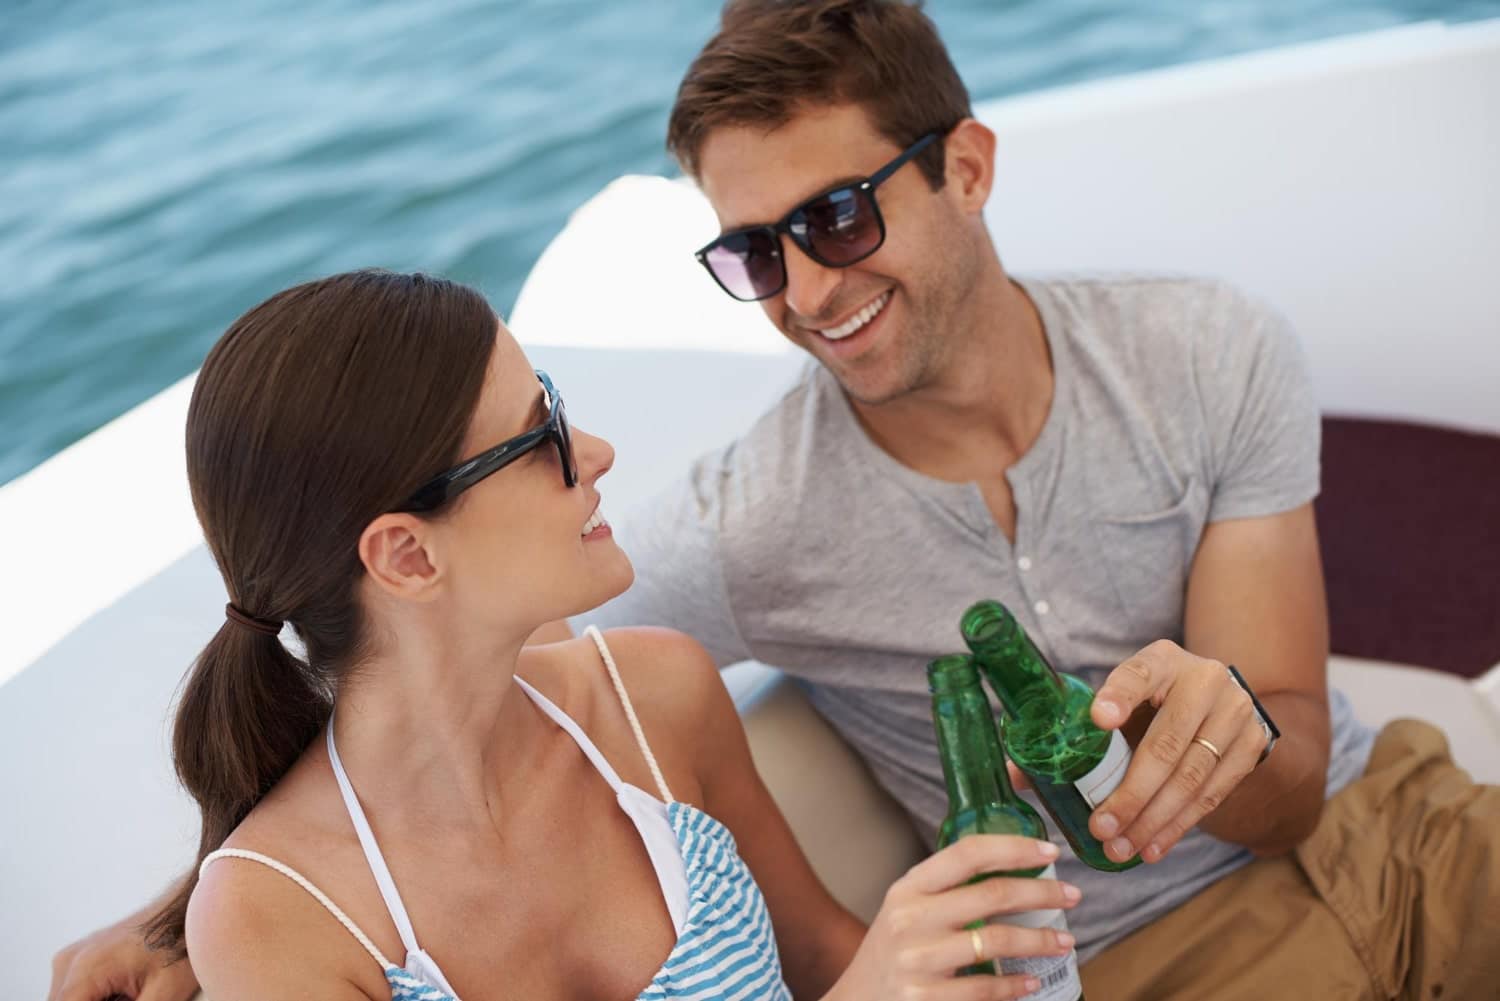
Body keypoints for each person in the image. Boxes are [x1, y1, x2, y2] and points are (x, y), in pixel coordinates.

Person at [51, 2, 1500, 999]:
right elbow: (409, 677)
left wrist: (1228, 722)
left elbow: (1295, 789)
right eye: (753, 254)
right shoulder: (747, 528)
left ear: (969, 168)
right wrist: (185, 911)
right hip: (1144, 962)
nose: (805, 292)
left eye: (836, 218)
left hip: (1396, 827)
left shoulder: (1212, 349)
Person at [53, 268, 1080, 1001]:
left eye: (563, 407)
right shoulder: (272, 920)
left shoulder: (655, 699)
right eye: (540, 434)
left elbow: (820, 951)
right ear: (407, 556)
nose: (592, 450)